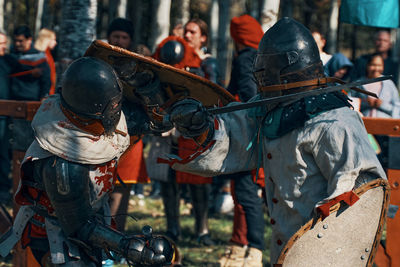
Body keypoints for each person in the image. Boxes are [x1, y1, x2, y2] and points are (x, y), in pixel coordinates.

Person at [163, 18, 386, 264]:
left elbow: (361, 195)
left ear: (284, 69)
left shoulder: (335, 122)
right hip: (284, 248)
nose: (261, 77)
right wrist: (201, 127)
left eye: (266, 70)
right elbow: (237, 130)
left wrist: (317, 249)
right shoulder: (273, 108)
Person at [0, 57, 173, 266]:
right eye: (115, 104)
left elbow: (156, 121)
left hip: (92, 218)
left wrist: (144, 84)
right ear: (96, 106)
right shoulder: (62, 164)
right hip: (54, 234)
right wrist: (128, 246)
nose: (118, 108)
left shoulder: (98, 119)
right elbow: (80, 227)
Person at [152, 35, 214, 246]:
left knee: (198, 183)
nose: (187, 35)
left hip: (193, 131)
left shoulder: (201, 67)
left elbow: (209, 94)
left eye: (193, 31)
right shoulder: (157, 69)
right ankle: (172, 229)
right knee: (168, 182)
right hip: (167, 132)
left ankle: (202, 230)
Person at [218, 14, 265, 267]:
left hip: (248, 134)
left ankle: (254, 249)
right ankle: (240, 244)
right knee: (245, 191)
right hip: (255, 133)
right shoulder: (264, 58)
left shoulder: (246, 58)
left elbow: (248, 93)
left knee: (246, 192)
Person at [106, 17, 149, 233]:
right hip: (101, 133)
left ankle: (115, 239)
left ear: (130, 40)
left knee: (122, 187)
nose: (120, 41)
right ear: (109, 37)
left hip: (131, 133)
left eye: (124, 37)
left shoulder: (139, 65)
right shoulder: (98, 61)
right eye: (116, 36)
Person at [0, 32, 12, 203]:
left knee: (3, 153)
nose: (3, 47)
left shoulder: (8, 61)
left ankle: (2, 190)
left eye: (4, 43)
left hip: (5, 115)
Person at [34, 28, 57, 95]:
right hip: (40, 95)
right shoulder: (42, 56)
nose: (55, 42)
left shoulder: (48, 55)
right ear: (47, 40)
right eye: (53, 40)